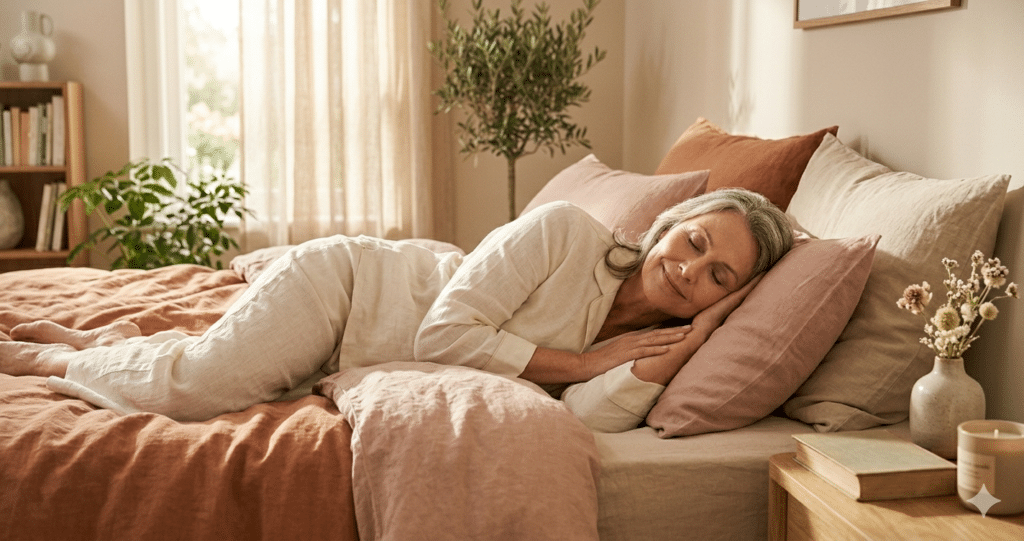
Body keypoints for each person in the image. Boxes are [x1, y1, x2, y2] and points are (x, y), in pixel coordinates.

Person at [0, 188, 793, 432]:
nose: (688, 269)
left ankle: (91, 336)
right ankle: (51, 360)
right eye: (691, 240)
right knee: (195, 389)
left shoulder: (662, 335)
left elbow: (595, 417)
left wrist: (701, 340)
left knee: (228, 364)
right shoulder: (565, 232)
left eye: (720, 276)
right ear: (663, 225)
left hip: (357, 349)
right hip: (348, 290)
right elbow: (443, 332)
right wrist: (583, 363)